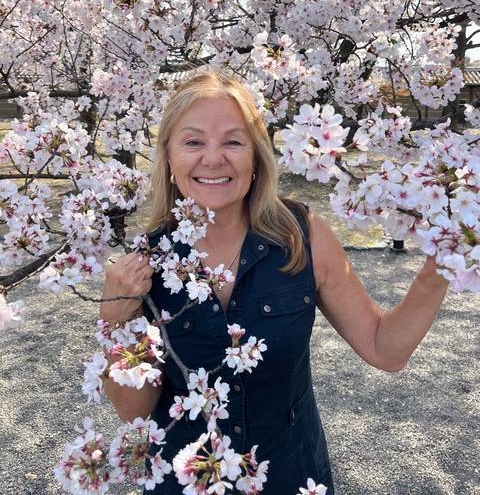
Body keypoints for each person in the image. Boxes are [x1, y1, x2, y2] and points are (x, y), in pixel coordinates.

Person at [100, 72, 449, 494]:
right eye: (193, 142)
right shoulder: (145, 265)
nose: (213, 159)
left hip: (289, 475)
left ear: (256, 156)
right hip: (185, 480)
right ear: (170, 159)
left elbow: (384, 348)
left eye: (233, 141)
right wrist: (116, 321)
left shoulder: (304, 236)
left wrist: (442, 263)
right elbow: (132, 410)